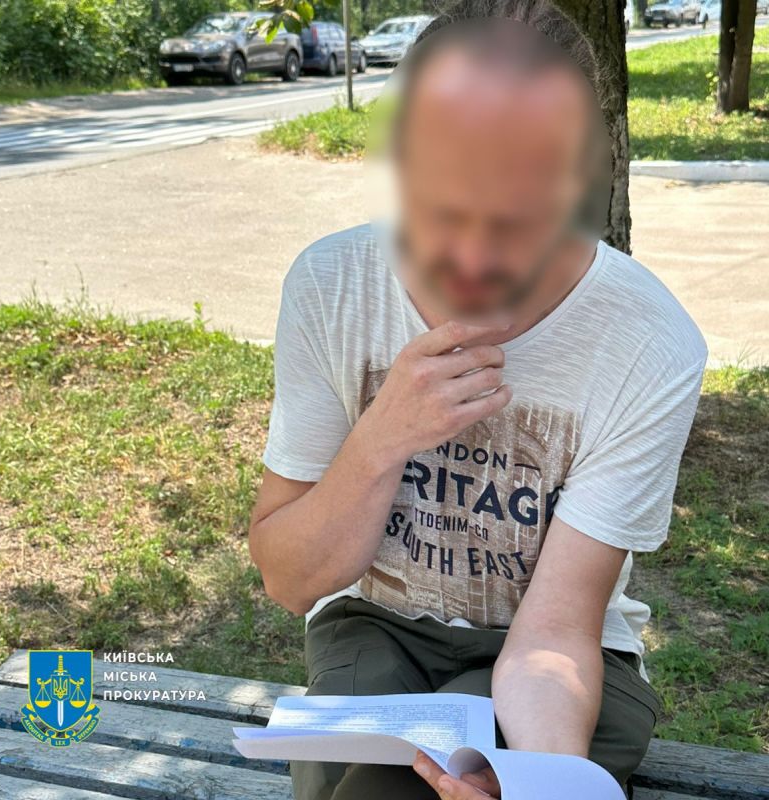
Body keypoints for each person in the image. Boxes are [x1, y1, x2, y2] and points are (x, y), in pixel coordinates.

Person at [248, 1, 708, 799]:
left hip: (563, 657)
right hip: (375, 628)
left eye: (516, 218)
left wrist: (540, 782)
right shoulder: (332, 286)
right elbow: (291, 581)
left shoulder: (646, 341)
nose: (471, 256)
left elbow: (557, 634)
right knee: (353, 777)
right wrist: (381, 438)